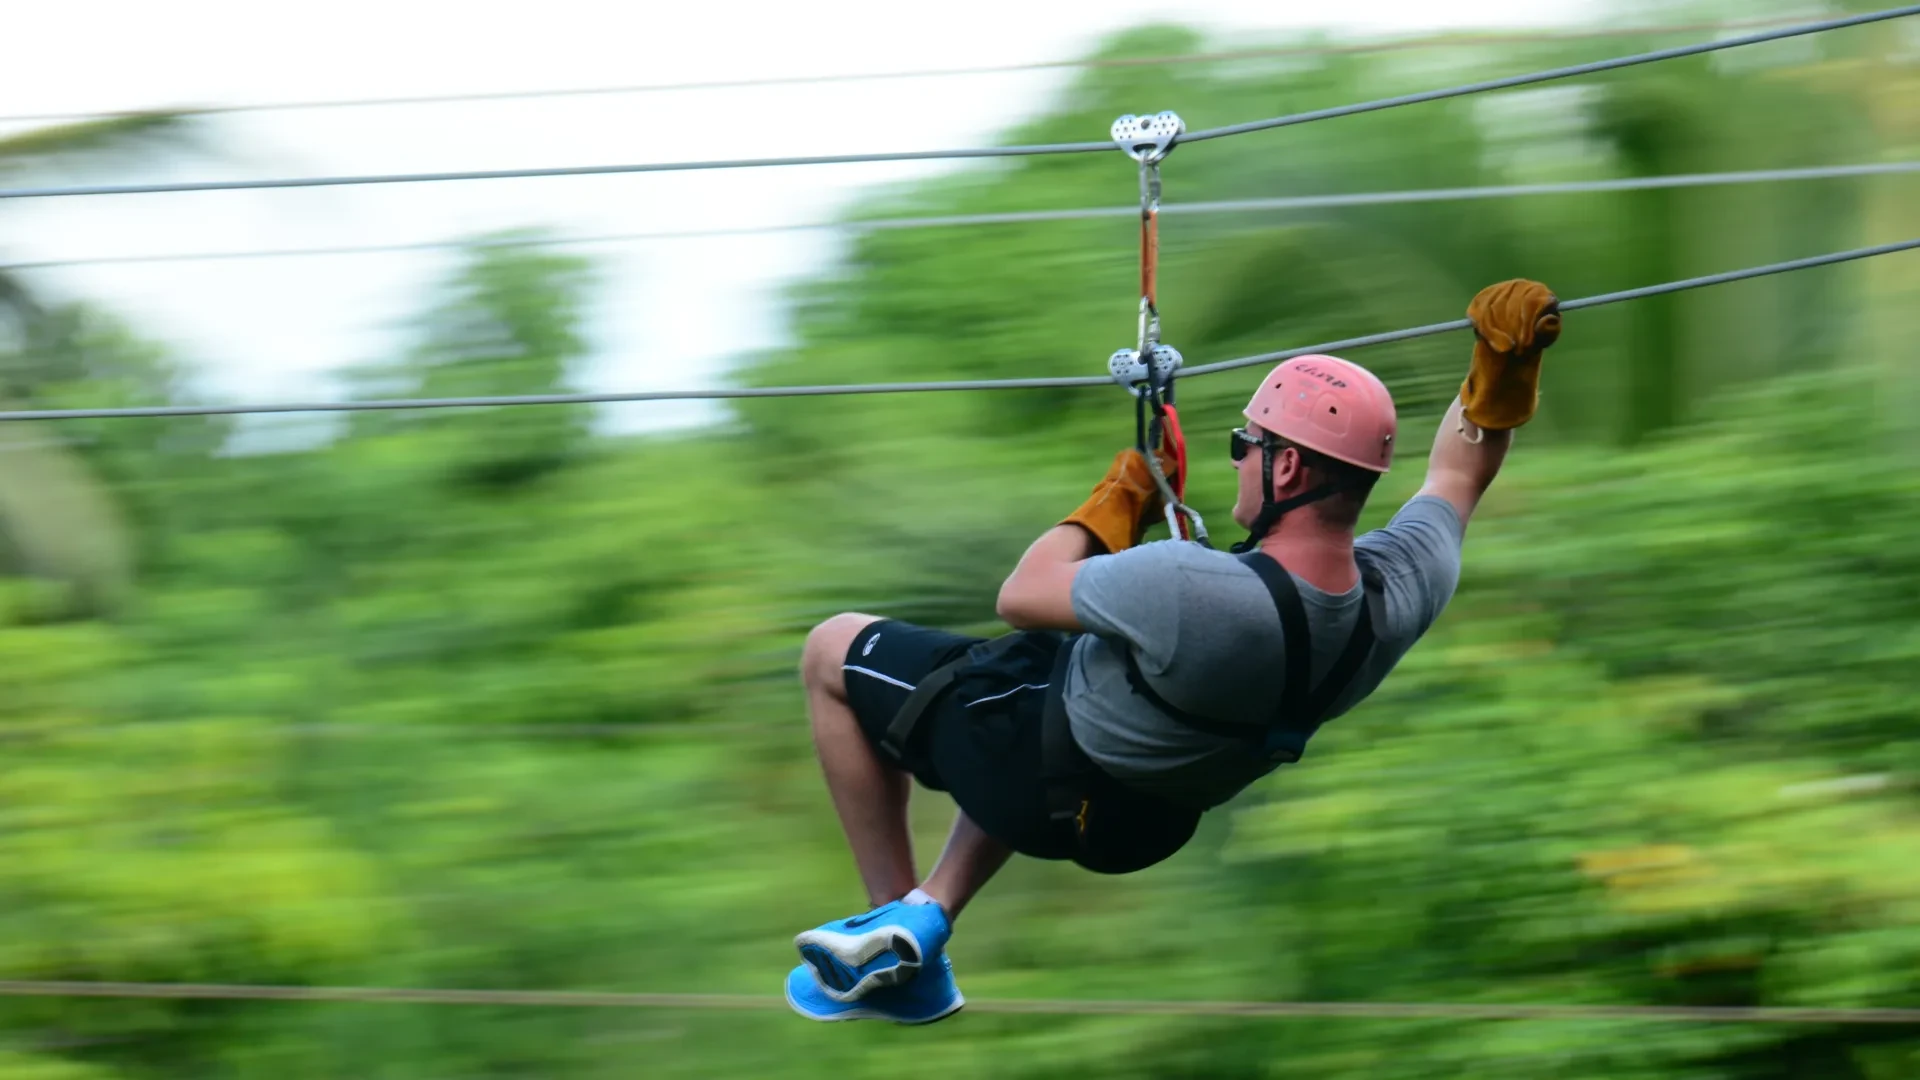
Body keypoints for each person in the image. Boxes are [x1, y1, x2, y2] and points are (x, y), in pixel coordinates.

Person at [783, 279, 1563, 1024]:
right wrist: (1505, 375)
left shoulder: (1189, 585)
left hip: (1035, 770)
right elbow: (1460, 474)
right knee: (1037, 668)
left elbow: (1024, 589)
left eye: (1242, 444)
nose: (1233, 459)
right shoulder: (1397, 597)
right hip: (1141, 826)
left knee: (833, 650)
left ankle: (894, 946)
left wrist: (1122, 496)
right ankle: (931, 911)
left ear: (1285, 465)